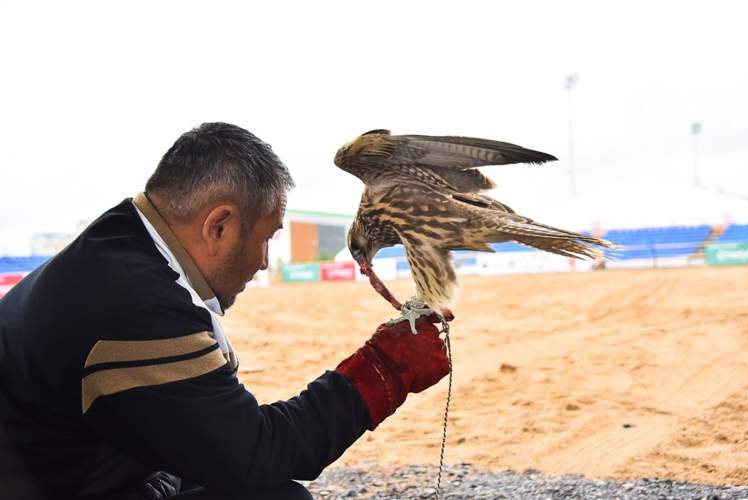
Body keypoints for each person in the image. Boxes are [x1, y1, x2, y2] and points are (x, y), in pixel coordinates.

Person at [0, 123, 451, 500]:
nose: (263, 261)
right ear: (219, 225)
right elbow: (256, 454)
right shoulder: (137, 304)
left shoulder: (122, 246)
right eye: (266, 237)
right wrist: (382, 370)